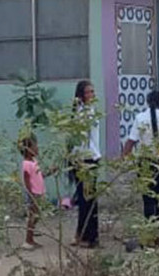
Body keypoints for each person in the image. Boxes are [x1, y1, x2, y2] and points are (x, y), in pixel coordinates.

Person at [122, 90, 159, 245]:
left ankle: (148, 234)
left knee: (148, 199)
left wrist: (124, 160)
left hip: (145, 162)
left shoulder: (140, 118)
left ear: (147, 101)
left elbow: (131, 142)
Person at [70, 80, 102, 248]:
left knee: (88, 199)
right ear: (81, 95)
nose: (92, 95)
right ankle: (85, 235)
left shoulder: (90, 111)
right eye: (89, 92)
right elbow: (79, 141)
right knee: (86, 199)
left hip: (91, 158)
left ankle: (87, 235)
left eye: (93, 92)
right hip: (84, 160)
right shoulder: (82, 113)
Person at [19, 135, 44, 250]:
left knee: (36, 216)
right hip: (33, 194)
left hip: (38, 193)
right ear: (28, 149)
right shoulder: (26, 164)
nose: (37, 149)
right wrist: (31, 195)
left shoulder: (34, 161)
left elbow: (39, 175)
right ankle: (28, 240)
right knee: (32, 217)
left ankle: (31, 238)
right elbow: (27, 180)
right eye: (35, 146)